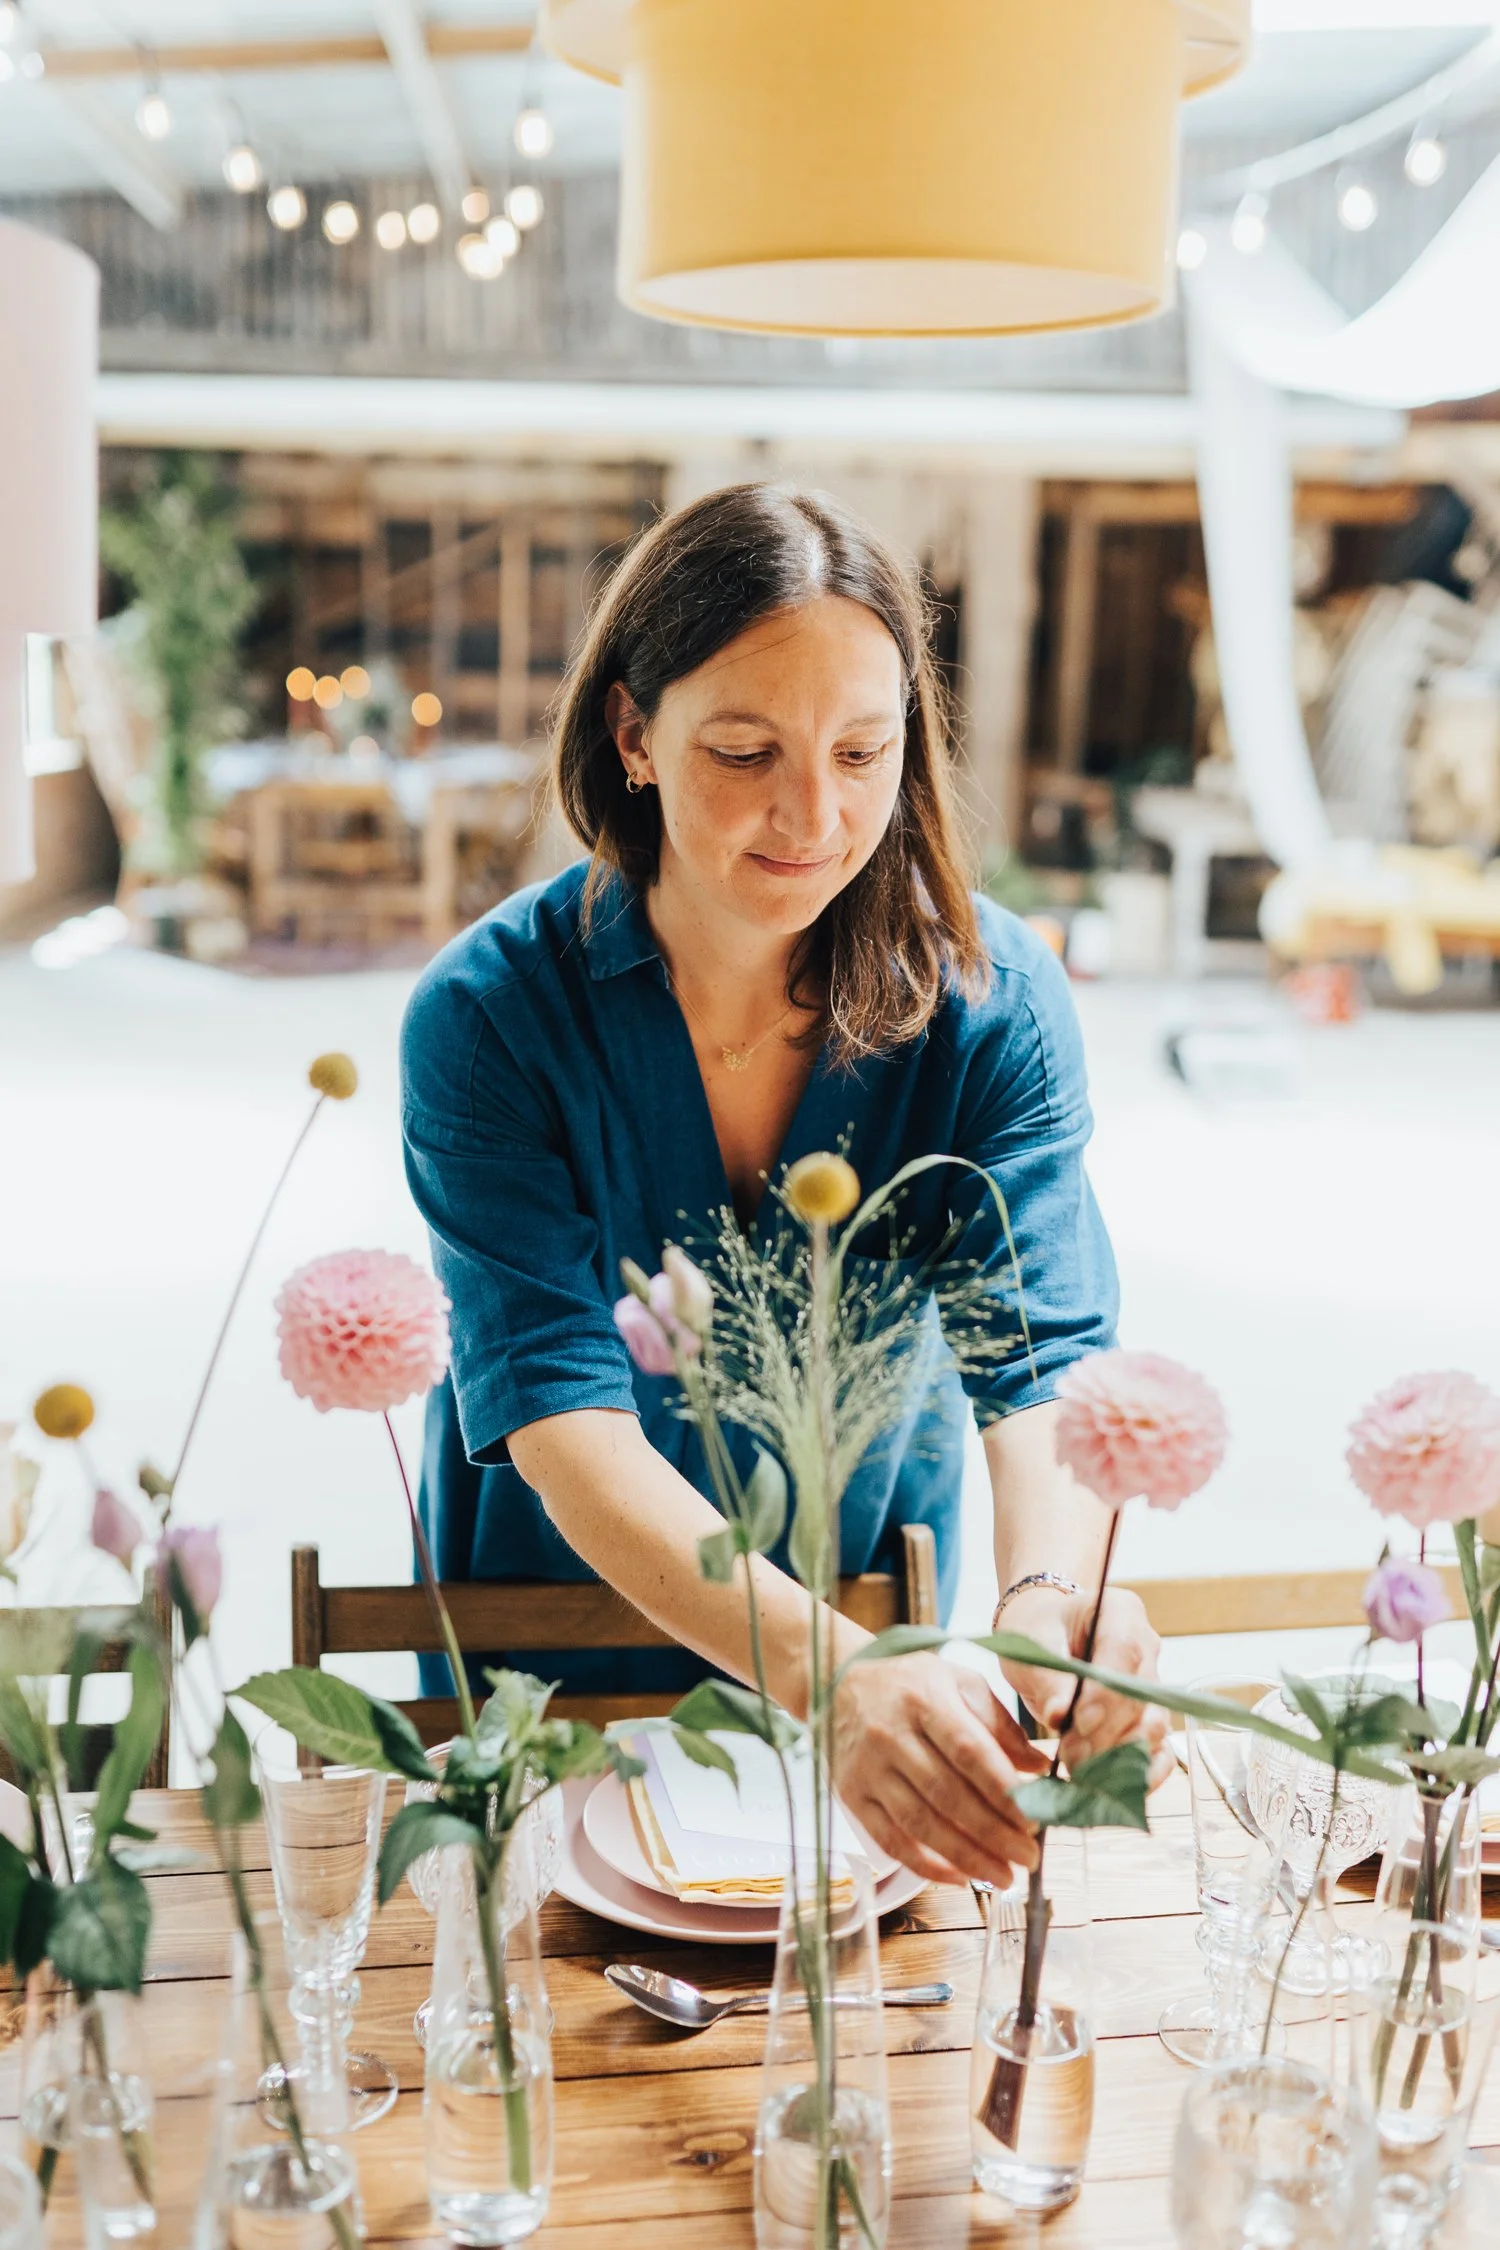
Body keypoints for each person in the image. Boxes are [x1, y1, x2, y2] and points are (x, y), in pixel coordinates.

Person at [401, 482, 1164, 1891]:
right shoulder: (490, 1020)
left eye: (863, 752)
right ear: (632, 732)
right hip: (558, 1675)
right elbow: (563, 1412)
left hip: (877, 1633)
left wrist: (1054, 1595)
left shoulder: (992, 1004)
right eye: (746, 751)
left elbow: (1040, 1354)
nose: (815, 816)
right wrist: (831, 1673)